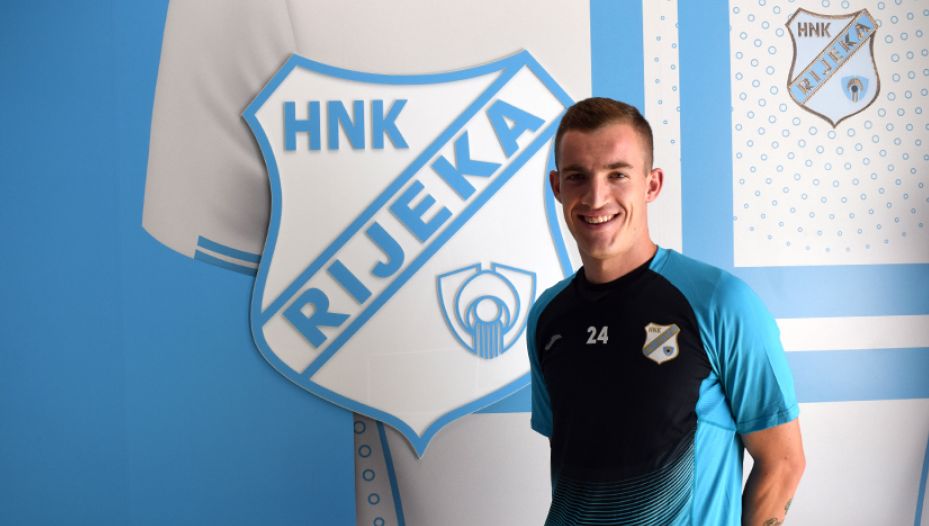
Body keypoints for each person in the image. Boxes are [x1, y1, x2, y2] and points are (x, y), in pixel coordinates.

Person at [527, 97, 805, 525]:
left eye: (617, 175)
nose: (596, 197)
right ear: (557, 187)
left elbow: (783, 463)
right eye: (577, 176)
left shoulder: (719, 302)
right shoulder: (548, 316)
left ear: (652, 185)